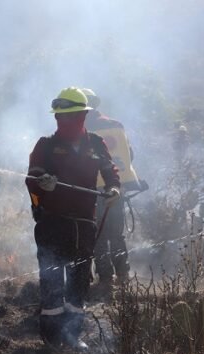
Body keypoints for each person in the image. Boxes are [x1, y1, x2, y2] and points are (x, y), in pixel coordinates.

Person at [26, 87, 121, 350]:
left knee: (79, 280)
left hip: (84, 224)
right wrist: (41, 183)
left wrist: (114, 188)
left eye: (69, 116)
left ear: (82, 116)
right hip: (52, 224)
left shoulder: (96, 143)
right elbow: (32, 176)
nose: (63, 121)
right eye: (59, 116)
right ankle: (51, 339)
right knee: (52, 281)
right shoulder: (45, 145)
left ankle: (72, 335)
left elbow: (110, 170)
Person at [80, 88, 147, 291]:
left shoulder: (80, 130)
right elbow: (129, 154)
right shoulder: (116, 125)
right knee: (116, 234)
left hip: (93, 190)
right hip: (117, 186)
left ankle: (106, 278)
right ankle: (123, 274)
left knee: (98, 235)